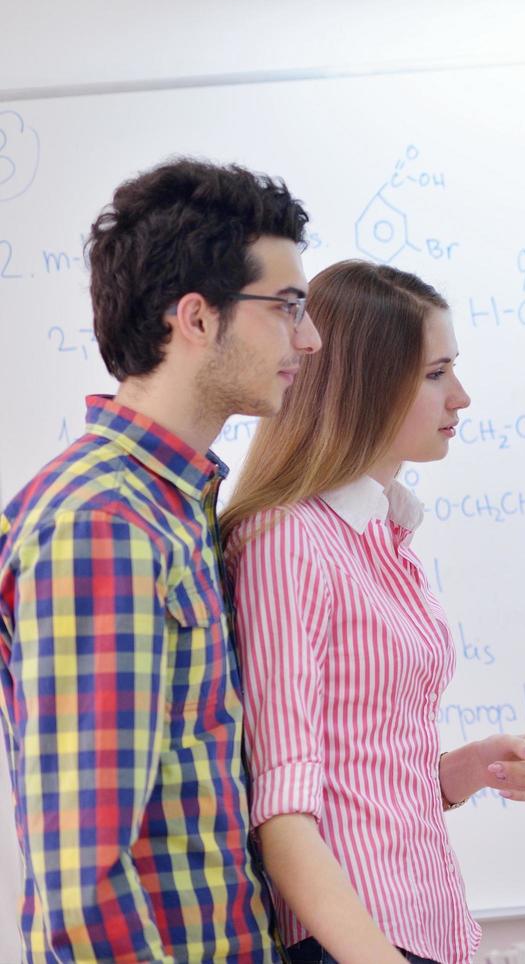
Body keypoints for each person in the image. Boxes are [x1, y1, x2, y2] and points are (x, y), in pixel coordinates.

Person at [0, 157, 319, 960]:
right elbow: (86, 876)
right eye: (287, 309)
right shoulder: (101, 522)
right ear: (197, 318)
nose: (308, 340)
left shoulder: (175, 505)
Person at [222, 260, 525, 964]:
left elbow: (361, 766)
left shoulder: (382, 533)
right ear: (369, 384)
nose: (463, 397)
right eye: (437, 374)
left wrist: (468, 769)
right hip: (355, 941)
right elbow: (284, 806)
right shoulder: (286, 540)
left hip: (418, 924)